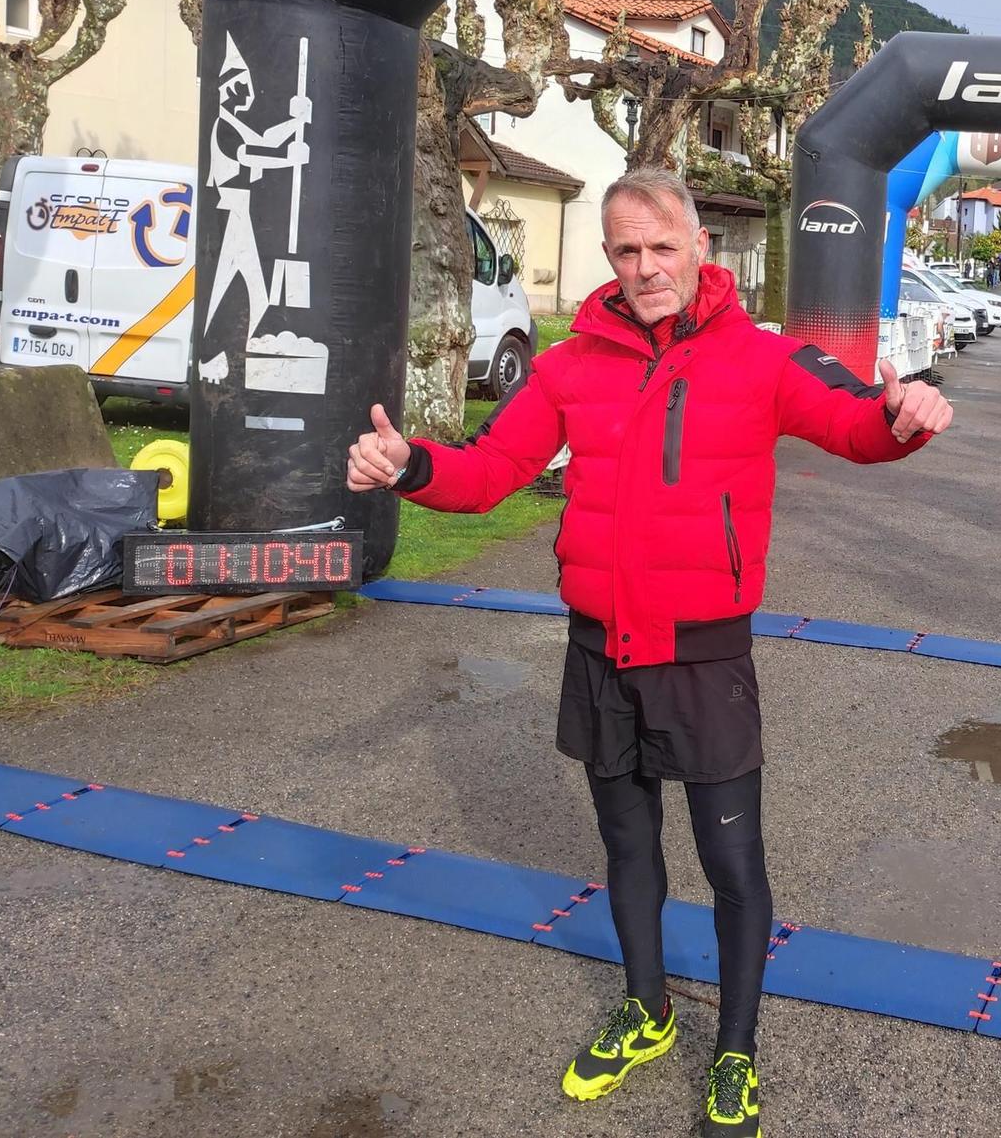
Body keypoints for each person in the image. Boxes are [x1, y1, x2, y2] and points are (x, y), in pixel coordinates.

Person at [346, 169, 953, 1137]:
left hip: (703, 661)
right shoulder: (568, 364)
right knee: (627, 851)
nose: (644, 268)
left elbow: (850, 421)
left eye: (661, 248)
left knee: (731, 865)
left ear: (698, 246)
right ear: (609, 258)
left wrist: (900, 417)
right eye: (626, 251)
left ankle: (737, 1052)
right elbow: (493, 469)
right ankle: (649, 1009)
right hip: (600, 651)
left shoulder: (757, 357)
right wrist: (410, 466)